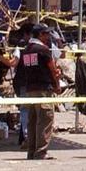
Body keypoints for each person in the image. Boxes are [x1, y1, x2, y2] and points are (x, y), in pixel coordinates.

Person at [14, 23, 61, 160]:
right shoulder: (43, 50)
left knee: (33, 120)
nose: (48, 36)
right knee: (45, 119)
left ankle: (31, 151)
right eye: (46, 34)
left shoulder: (27, 49)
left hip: (30, 89)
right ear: (40, 35)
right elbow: (52, 70)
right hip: (43, 89)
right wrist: (56, 85)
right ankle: (41, 152)